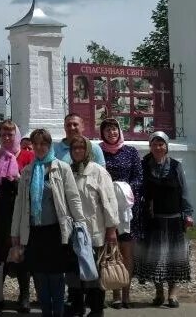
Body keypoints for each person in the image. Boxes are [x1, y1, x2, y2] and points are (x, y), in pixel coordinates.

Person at [11, 129, 85, 317]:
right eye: (35, 144)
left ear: (49, 145)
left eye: (43, 143)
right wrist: (15, 233)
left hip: (57, 232)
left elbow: (73, 198)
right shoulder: (28, 171)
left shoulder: (61, 167)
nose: (39, 147)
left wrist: (81, 225)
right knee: (40, 277)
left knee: (56, 278)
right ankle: (45, 312)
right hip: (34, 233)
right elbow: (19, 205)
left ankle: (58, 312)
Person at [136, 132, 193, 309]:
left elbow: (184, 191)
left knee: (175, 258)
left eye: (161, 144)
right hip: (153, 219)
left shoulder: (176, 166)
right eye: (155, 144)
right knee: (155, 258)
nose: (158, 147)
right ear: (150, 147)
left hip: (174, 218)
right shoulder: (144, 165)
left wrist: (188, 213)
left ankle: (173, 294)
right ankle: (159, 292)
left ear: (167, 146)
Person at [0, 121, 33, 312]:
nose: (6, 138)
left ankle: (24, 296)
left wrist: (18, 178)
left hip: (19, 210)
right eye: (3, 134)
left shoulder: (27, 155)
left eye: (10, 134)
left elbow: (31, 182)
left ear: (17, 135)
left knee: (20, 253)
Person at [68, 136, 118, 317]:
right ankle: (76, 305)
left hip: (94, 231)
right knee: (74, 270)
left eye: (81, 148)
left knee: (94, 272)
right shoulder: (68, 171)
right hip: (73, 232)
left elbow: (109, 201)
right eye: (74, 148)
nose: (78, 151)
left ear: (88, 150)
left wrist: (111, 229)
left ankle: (96, 309)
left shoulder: (98, 172)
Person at [98, 118, 143, 309]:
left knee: (126, 252)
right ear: (103, 133)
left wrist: (124, 190)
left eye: (114, 129)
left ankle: (126, 293)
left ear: (119, 131)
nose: (111, 133)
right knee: (111, 252)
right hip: (107, 209)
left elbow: (139, 177)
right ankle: (115, 293)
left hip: (128, 209)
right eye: (107, 130)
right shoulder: (98, 151)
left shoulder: (131, 152)